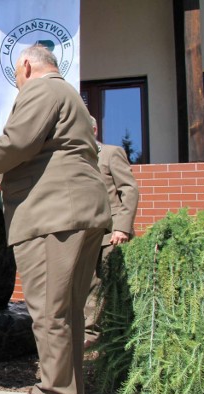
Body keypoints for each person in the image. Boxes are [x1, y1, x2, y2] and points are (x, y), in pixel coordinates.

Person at [0, 45, 111, 394]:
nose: (18, 83)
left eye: (16, 76)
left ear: (25, 65)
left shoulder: (41, 90)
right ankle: (72, 391)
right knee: (69, 310)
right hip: (81, 210)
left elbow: (17, 141)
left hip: (51, 214)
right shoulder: (70, 93)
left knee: (47, 311)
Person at [83, 116, 139, 349]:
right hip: (84, 234)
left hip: (111, 235)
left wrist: (122, 227)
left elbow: (129, 189)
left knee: (103, 286)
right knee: (85, 284)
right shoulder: (75, 159)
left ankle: (93, 339)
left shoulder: (111, 153)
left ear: (94, 129)